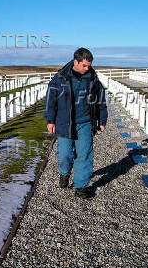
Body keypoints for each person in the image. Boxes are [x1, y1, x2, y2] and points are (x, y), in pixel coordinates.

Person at [44, 47, 108, 199]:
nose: (88, 68)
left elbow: (101, 100)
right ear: (75, 62)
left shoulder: (93, 79)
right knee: (64, 154)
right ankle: (64, 173)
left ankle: (80, 186)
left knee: (85, 154)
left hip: (85, 122)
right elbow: (50, 100)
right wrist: (50, 120)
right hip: (65, 123)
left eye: (89, 65)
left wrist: (102, 119)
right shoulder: (60, 78)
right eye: (84, 65)